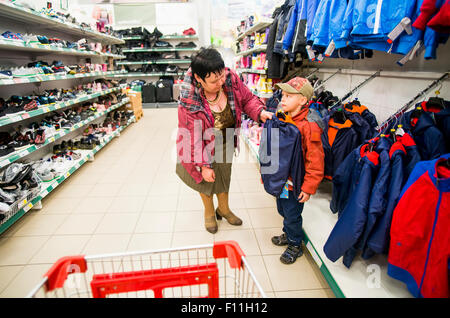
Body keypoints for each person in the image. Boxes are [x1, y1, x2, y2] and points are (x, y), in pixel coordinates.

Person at [176, 48, 273, 234]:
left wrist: (259, 112)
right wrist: (203, 165)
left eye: (221, 76)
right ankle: (209, 211)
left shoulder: (230, 78)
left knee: (223, 175)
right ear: (198, 78)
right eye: (214, 81)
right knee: (205, 179)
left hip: (226, 137)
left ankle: (224, 208)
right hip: (200, 142)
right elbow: (193, 138)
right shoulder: (189, 99)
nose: (221, 82)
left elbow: (247, 99)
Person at [271, 77, 325, 264]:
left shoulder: (309, 126)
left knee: (292, 214)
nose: (282, 100)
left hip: (296, 183)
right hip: (281, 180)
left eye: (288, 96)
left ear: (303, 100)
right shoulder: (284, 117)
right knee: (282, 209)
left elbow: (315, 160)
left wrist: (309, 187)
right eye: (282, 95)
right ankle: (288, 233)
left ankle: (295, 244)